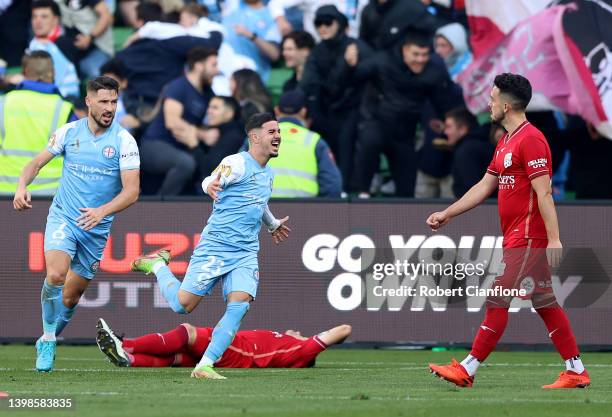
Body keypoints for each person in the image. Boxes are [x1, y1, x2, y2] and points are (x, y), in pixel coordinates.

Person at [426, 73, 590, 389]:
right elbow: (485, 184)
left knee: (497, 297)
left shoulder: (531, 139)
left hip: (530, 236)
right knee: (545, 302)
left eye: (491, 99)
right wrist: (448, 213)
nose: (488, 104)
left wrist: (554, 238)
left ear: (505, 104)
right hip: (517, 236)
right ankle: (576, 370)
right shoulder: (505, 141)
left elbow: (545, 192)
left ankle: (469, 368)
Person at [131, 112, 291, 380]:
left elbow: (258, 202)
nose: (278, 137)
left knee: (240, 305)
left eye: (278, 132)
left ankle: (204, 365)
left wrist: (272, 223)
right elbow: (211, 179)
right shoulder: (236, 163)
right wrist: (209, 186)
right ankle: (158, 264)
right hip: (217, 246)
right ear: (254, 137)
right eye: (272, 132)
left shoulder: (268, 173)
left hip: (246, 252)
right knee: (183, 306)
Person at [13, 76, 140, 372]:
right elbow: (35, 164)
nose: (110, 108)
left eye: (114, 102)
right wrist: (21, 186)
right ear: (89, 101)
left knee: (71, 296)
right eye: (104, 101)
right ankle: (47, 339)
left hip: (95, 230)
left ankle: (51, 333)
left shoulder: (124, 141)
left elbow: (132, 191)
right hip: (64, 217)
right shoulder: (69, 132)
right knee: (56, 275)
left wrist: (102, 212)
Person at [345, 32, 454, 197]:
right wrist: (350, 65)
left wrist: (444, 120)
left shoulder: (433, 72)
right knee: (370, 143)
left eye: (425, 55)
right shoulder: (383, 61)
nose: (420, 59)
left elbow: (442, 102)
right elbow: (354, 77)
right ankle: (363, 192)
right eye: (415, 54)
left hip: (405, 132)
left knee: (407, 185)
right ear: (404, 51)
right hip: (377, 122)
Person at [300, 5, 372, 193]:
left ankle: (345, 190)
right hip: (326, 110)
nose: (322, 27)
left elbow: (371, 74)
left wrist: (352, 67)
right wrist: (346, 66)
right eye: (318, 23)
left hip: (353, 109)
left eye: (328, 22)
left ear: (339, 24)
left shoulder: (355, 46)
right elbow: (310, 83)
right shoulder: (318, 51)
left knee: (346, 142)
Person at [95, 318, 352, 368]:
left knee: (187, 332)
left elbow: (344, 329)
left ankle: (124, 343)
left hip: (235, 349)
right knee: (176, 357)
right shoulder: (288, 344)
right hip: (236, 352)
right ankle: (129, 359)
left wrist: (309, 340)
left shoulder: (301, 350)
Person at [115, 2, 222, 119]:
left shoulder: (128, 50)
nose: (181, 24)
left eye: (183, 19)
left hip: (140, 104)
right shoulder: (172, 41)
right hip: (151, 105)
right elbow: (214, 41)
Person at [139, 47, 219, 196]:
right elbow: (172, 122)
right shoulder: (179, 87)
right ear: (198, 66)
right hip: (154, 146)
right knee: (186, 163)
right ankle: (160, 209)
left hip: (180, 149)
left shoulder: (207, 93)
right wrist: (203, 135)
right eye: (213, 65)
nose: (217, 70)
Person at [0, 51, 74, 196]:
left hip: (6, 191)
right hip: (51, 194)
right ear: (52, 73)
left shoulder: (3, 103)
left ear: (24, 72)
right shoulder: (64, 109)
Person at [269, 89, 342, 197]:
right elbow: (333, 186)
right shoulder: (314, 141)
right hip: (304, 211)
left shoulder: (256, 139)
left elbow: (236, 175)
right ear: (303, 112)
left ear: (276, 111)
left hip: (262, 211)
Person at [29, 0, 80, 99]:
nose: (38, 21)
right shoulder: (34, 43)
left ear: (56, 20)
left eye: (44, 17)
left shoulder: (64, 43)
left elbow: (45, 80)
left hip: (65, 100)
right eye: (34, 16)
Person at [441, 107, 494, 198]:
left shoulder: (466, 151)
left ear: (462, 129)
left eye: (448, 127)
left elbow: (472, 190)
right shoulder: (479, 144)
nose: (445, 132)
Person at [222, 0, 281, 81]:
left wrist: (251, 36)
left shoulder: (271, 14)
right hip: (227, 78)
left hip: (254, 79)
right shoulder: (230, 11)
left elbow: (274, 54)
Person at [54, 0, 114, 78]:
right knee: (60, 44)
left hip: (96, 46)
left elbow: (106, 17)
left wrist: (90, 37)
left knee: (97, 75)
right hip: (72, 47)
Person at [196, 95, 245, 177]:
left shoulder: (234, 137)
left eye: (215, 108)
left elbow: (210, 170)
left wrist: (194, 146)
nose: (208, 111)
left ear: (229, 113)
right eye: (209, 107)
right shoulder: (217, 131)